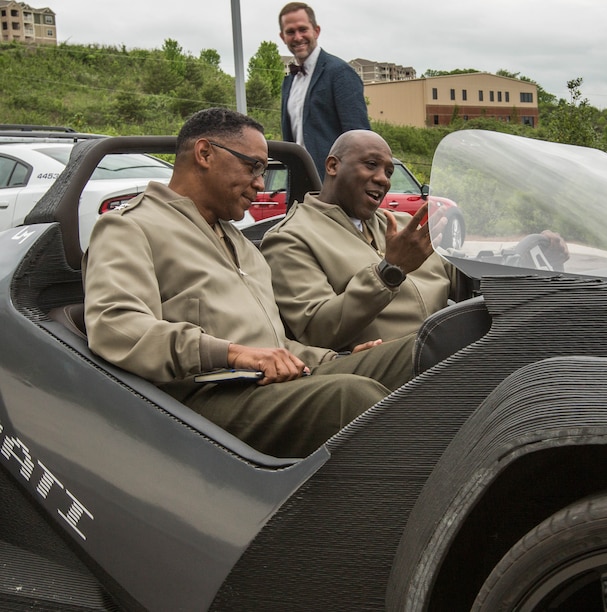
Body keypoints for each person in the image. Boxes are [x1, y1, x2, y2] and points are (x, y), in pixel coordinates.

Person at [82, 108, 414, 459]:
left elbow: (274, 344)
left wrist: (335, 357)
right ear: (205, 154)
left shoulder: (239, 242)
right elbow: (116, 327)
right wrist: (235, 354)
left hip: (271, 383)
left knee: (415, 351)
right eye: (252, 167)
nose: (260, 183)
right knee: (352, 397)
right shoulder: (130, 227)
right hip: (204, 400)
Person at [260, 129, 455, 352]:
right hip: (386, 363)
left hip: (449, 344)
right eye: (371, 164)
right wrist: (389, 273)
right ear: (333, 166)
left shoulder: (401, 223)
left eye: (389, 172)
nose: (383, 179)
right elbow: (317, 329)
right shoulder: (290, 238)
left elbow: (453, 273)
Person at [279, 2, 370, 178]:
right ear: (282, 37)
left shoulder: (340, 73)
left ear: (316, 31)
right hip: (299, 182)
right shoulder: (289, 81)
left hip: (334, 184)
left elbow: (360, 139)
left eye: (303, 29)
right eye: (290, 32)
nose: (297, 37)